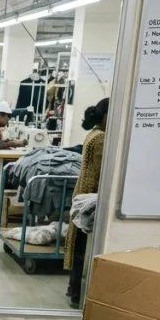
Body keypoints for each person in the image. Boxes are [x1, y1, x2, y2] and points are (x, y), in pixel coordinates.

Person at [65, 98, 108, 308]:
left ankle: (73, 288)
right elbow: (102, 170)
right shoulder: (101, 138)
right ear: (106, 116)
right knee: (84, 246)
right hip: (90, 193)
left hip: (83, 191)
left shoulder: (93, 133)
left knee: (79, 244)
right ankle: (77, 295)